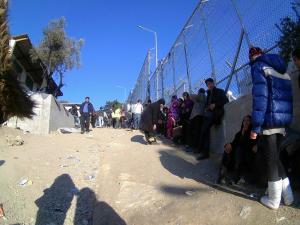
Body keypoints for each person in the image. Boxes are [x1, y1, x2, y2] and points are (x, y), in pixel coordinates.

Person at [249, 47, 294, 210]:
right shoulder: (281, 68)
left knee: (270, 161)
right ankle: (288, 196)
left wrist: (256, 126)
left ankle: (274, 200)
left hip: (269, 121)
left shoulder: (258, 67)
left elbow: (260, 99)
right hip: (282, 121)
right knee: (277, 159)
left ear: (253, 57)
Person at [217, 115, 258, 184]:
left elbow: (249, 145)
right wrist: (229, 145)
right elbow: (234, 143)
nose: (246, 122)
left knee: (239, 150)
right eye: (244, 120)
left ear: (251, 122)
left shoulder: (253, 133)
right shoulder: (239, 133)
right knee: (227, 150)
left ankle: (237, 176)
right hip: (238, 155)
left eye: (248, 120)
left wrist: (244, 134)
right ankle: (222, 175)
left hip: (247, 156)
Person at [197, 78, 229, 160]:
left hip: (215, 114)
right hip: (208, 115)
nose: (209, 85)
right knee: (203, 130)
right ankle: (202, 150)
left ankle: (202, 150)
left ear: (213, 83)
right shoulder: (208, 95)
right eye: (207, 84)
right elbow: (208, 105)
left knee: (204, 130)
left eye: (210, 83)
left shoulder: (219, 91)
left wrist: (215, 105)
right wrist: (207, 108)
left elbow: (226, 101)